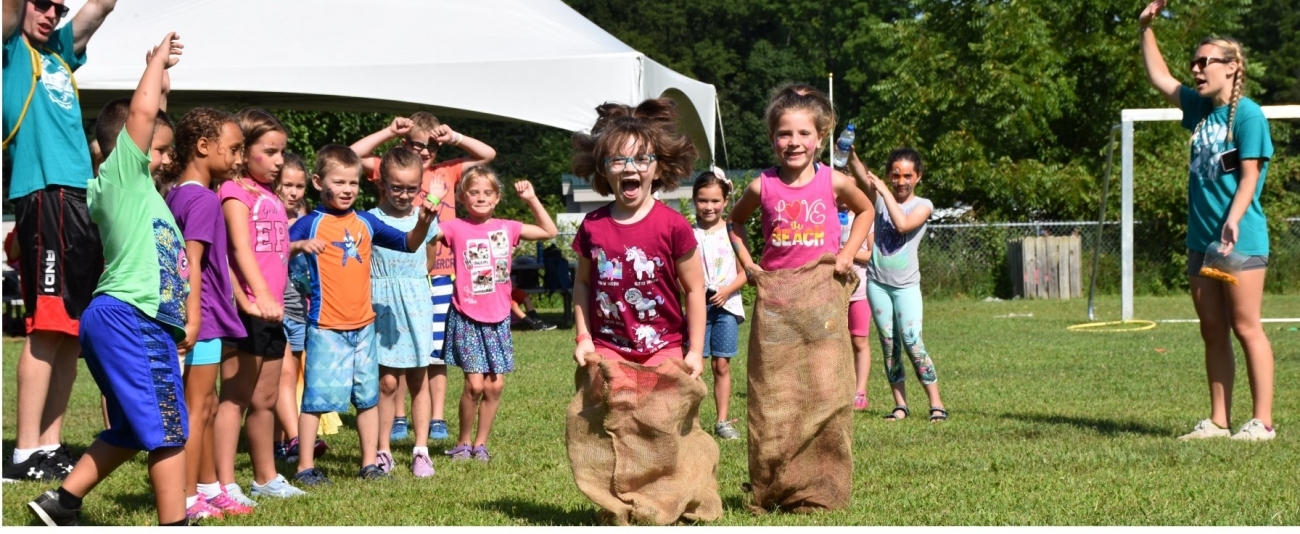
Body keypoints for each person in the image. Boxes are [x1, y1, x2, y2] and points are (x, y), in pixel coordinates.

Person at [26, 33, 188, 526]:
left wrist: (160, 81)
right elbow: (139, 121)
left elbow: (150, 117)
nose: (164, 158)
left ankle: (61, 503)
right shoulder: (122, 179)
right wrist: (155, 63)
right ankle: (176, 522)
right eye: (158, 151)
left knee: (131, 428)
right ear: (128, 150)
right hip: (131, 316)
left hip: (128, 319)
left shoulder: (139, 191)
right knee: (168, 428)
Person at [1139, 0, 1275, 441]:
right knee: (1212, 329)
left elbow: (1250, 176)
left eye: (1205, 62)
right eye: (1194, 63)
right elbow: (1160, 78)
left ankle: (1262, 422)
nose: (1196, 70)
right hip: (1201, 241)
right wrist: (1145, 28)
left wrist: (1232, 221)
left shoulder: (1250, 114)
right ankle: (1219, 422)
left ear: (1232, 67)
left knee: (1245, 326)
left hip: (1240, 239)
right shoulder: (1199, 110)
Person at [2, 0, 119, 482]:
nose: (50, 13)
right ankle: (23, 452)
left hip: (78, 199)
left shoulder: (59, 53)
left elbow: (102, 7)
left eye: (58, 6)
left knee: (70, 332)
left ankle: (49, 447)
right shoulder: (10, 48)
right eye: (41, 3)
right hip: (43, 194)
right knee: (46, 327)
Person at [289, 145, 436, 485]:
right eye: (338, 182)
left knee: (368, 398)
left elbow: (408, 244)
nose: (346, 189)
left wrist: (424, 223)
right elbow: (275, 250)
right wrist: (297, 247)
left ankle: (370, 463)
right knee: (315, 399)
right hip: (326, 326)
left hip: (365, 328)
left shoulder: (366, 223)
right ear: (317, 182)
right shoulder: (309, 224)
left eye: (353, 183)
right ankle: (304, 467)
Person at [726, 84, 875, 405]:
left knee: (824, 381)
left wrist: (848, 253)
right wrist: (748, 264)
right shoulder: (761, 186)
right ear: (771, 138)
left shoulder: (834, 181)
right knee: (780, 386)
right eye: (784, 134)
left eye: (804, 133)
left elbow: (866, 210)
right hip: (777, 303)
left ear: (820, 138)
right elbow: (733, 222)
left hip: (823, 296)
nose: (794, 142)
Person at [351, 113, 496, 442]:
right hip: (397, 272)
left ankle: (437, 417)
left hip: (440, 271)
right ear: (404, 144)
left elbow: (487, 155)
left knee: (432, 350)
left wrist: (455, 136)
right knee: (397, 350)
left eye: (433, 145)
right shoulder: (392, 170)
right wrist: (388, 131)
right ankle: (399, 417)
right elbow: (352, 155)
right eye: (418, 144)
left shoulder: (447, 170)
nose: (426, 150)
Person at [570, 99, 707, 383]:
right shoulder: (592, 226)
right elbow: (582, 284)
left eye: (642, 159)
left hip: (664, 347)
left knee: (658, 424)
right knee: (611, 424)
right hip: (608, 347)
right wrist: (583, 338)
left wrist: (694, 350)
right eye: (618, 159)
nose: (630, 168)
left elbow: (694, 289)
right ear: (604, 169)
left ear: (657, 169)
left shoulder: (673, 225)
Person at [162, 107, 253, 519]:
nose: (238, 159)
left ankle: (209, 487)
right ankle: (185, 499)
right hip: (203, 317)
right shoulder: (201, 200)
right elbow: (192, 264)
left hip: (205, 316)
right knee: (197, 409)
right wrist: (194, 319)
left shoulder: (177, 195)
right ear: (203, 147)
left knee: (208, 405)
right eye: (233, 149)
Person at [440, 167, 558, 462]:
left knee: (495, 385)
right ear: (463, 197)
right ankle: (463, 442)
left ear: (497, 198)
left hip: (499, 316)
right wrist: (427, 208)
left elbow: (549, 231)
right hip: (467, 315)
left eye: (487, 193)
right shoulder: (455, 228)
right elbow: (422, 236)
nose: (481, 198)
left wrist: (531, 199)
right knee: (474, 384)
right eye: (474, 192)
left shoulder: (508, 227)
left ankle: (480, 445)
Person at [215, 109, 301, 504]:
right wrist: (257, 296)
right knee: (234, 397)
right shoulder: (233, 192)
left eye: (282, 152)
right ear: (243, 150)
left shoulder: (269, 196)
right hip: (248, 310)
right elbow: (238, 247)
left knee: (265, 400)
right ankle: (223, 482)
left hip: (273, 312)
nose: (279, 160)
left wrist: (273, 300)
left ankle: (266, 478)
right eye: (269, 151)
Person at [849, 147, 946, 423]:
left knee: (913, 343)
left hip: (906, 288)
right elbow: (859, 173)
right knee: (889, 346)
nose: (901, 181)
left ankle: (936, 404)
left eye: (907, 176)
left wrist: (883, 191)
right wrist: (851, 152)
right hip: (877, 285)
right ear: (888, 175)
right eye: (895, 175)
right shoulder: (879, 199)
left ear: (918, 177)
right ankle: (900, 405)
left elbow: (902, 225)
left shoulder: (923, 205)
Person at [370, 147, 443, 477]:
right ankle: (382, 449)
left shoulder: (426, 218)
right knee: (386, 382)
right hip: (382, 305)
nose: (403, 194)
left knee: (419, 380)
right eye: (396, 186)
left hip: (416, 302)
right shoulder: (370, 219)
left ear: (421, 186)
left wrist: (412, 285)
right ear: (382, 182)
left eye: (411, 188)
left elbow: (428, 259)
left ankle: (421, 450)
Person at [272, 153, 329, 464]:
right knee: (281, 374)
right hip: (274, 308)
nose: (293, 192)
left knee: (289, 377)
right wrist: (298, 246)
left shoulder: (305, 221)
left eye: (298, 186)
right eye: (286, 185)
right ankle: (295, 439)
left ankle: (278, 443)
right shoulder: (269, 219)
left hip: (299, 311)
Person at [690, 169, 747, 440]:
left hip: (727, 307)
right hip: (696, 308)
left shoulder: (733, 232)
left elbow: (747, 271)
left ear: (725, 200)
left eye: (715, 201)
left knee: (721, 364)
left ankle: (722, 421)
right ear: (694, 200)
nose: (709, 207)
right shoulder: (688, 234)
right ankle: (692, 423)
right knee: (694, 365)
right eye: (703, 200)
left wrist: (726, 291)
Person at [837, 190, 874, 411]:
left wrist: (846, 253)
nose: (842, 197)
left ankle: (859, 391)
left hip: (860, 290)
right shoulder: (825, 217)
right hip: (832, 290)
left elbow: (872, 255)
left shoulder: (864, 220)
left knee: (859, 340)